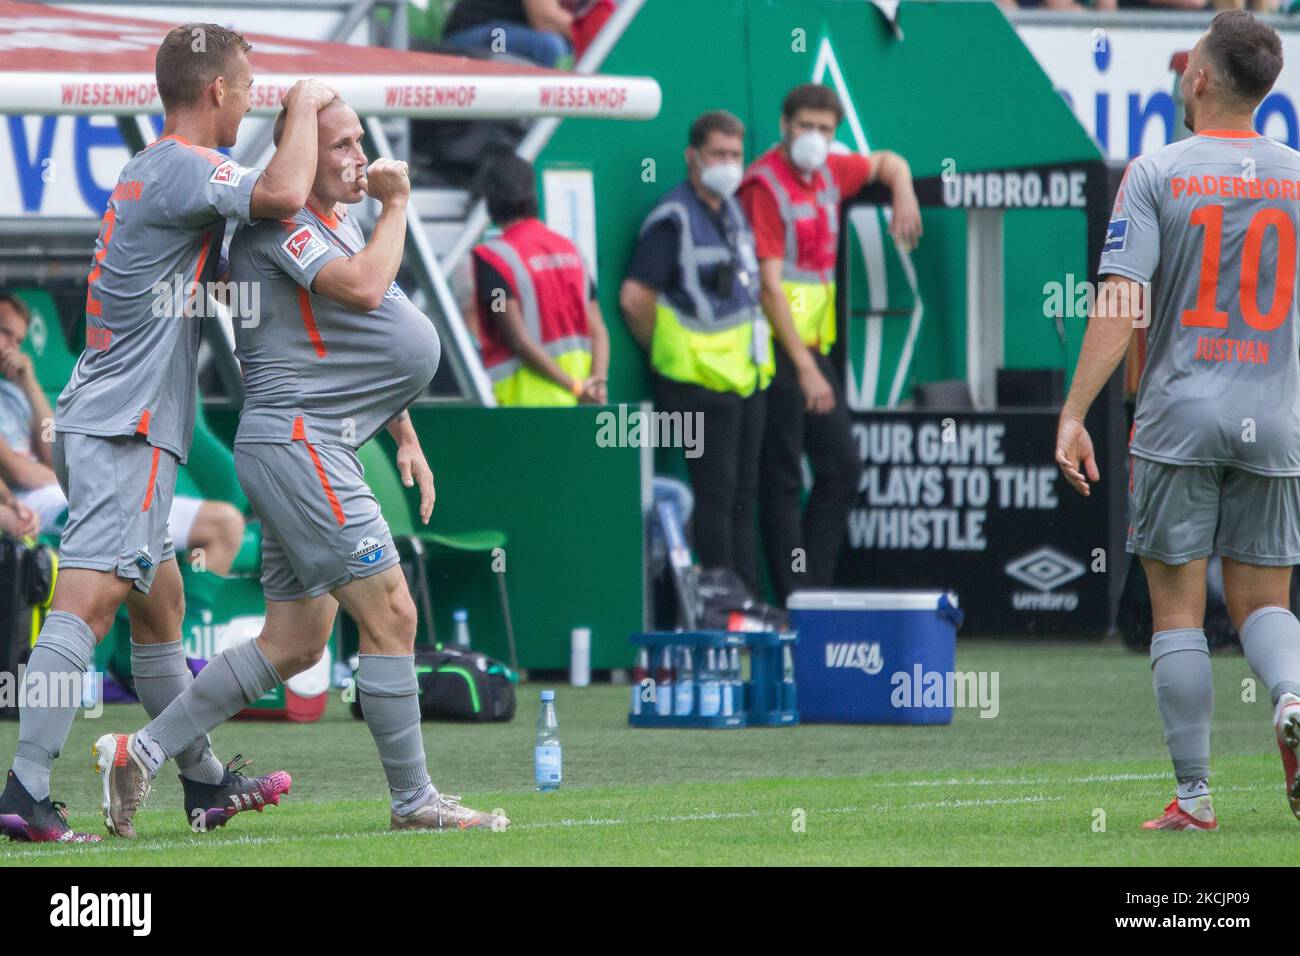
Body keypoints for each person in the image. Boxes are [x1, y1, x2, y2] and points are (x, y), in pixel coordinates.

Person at [94, 95, 509, 836]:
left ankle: (142, 750)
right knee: (393, 614)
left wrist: (405, 432)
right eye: (341, 145)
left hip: (311, 443)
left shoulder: (330, 223)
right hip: (300, 444)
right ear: (304, 156)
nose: (359, 156)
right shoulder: (279, 225)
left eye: (359, 142)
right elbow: (367, 289)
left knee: (295, 643)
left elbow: (368, 338)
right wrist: (400, 203)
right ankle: (414, 801)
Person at [0, 24, 332, 844]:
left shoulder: (155, 170)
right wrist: (307, 108)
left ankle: (204, 781)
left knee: (162, 608)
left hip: (114, 417)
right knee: (86, 601)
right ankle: (23, 788)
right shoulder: (184, 167)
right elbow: (285, 194)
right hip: (129, 423)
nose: (254, 99)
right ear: (216, 91)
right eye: (250, 88)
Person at [1057, 11, 1300, 831]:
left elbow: (1121, 302)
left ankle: (1195, 798)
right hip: (1274, 420)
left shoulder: (1156, 171)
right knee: (1267, 605)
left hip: (1177, 419)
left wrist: (1075, 411)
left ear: (1198, 78)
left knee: (1178, 614)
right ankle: (1294, 696)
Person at [739, 84, 921, 605]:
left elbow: (887, 162)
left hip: (812, 350)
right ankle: (797, 597)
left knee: (842, 468)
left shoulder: (828, 174)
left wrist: (903, 190)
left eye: (825, 129)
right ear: (783, 124)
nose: (815, 138)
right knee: (780, 476)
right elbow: (770, 288)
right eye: (805, 127)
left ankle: (812, 593)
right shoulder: (763, 187)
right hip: (775, 351)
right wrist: (804, 367)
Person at [621, 110, 771, 593]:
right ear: (693, 157)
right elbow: (635, 299)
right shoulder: (673, 217)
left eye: (735, 155)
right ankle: (722, 601)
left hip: (745, 379)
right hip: (695, 385)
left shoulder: (733, 211)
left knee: (745, 496)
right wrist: (670, 354)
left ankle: (746, 598)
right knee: (715, 496)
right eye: (718, 154)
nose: (728, 164)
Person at [0, 293, 247, 574]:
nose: (12, 348)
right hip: (38, 503)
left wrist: (29, 385)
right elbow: (18, 472)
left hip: (73, 492)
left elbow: (53, 450)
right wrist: (72, 476)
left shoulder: (14, 391)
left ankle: (191, 616)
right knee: (140, 537)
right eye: (5, 333)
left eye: (19, 341)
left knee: (226, 524)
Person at [472, 154, 608, 406]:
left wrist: (577, 388)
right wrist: (596, 385)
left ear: (490, 199)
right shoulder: (570, 251)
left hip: (526, 406)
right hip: (580, 403)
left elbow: (517, 339)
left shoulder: (494, 258)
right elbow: (598, 329)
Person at [441, 0, 574, 68]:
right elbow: (546, 20)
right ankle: (534, 118)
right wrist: (587, 33)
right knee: (547, 45)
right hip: (469, 36)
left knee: (563, 46)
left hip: (511, 33)